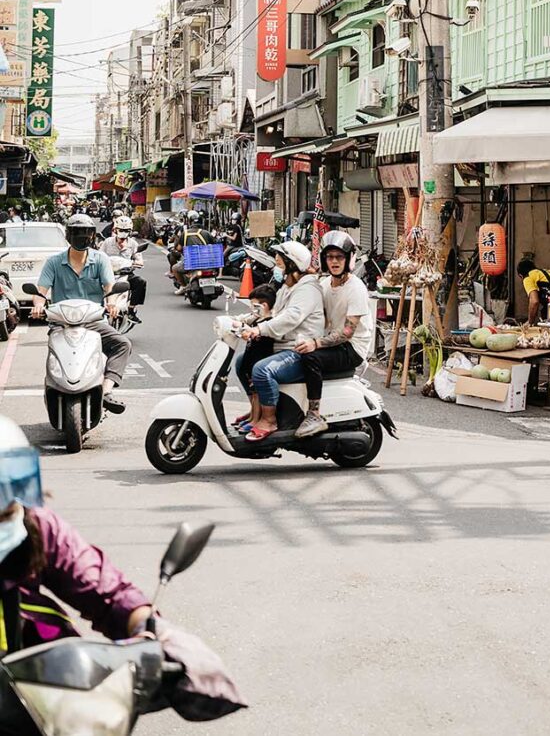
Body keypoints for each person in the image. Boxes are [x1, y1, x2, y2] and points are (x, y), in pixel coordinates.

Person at [0, 415, 246, 729]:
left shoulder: (35, 525)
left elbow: (105, 591)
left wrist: (154, 630)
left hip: (39, 702)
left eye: (8, 510)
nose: (6, 519)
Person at [33, 213, 131, 414]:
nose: (82, 237)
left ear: (93, 236)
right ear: (69, 235)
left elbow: (109, 288)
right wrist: (38, 306)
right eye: (78, 232)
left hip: (93, 322)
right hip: (61, 323)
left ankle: (106, 391)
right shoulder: (54, 262)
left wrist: (111, 304)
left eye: (86, 233)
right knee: (55, 358)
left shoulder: (100, 259)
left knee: (123, 344)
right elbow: (40, 292)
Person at [238, 241, 324, 442]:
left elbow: (290, 318)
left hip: (297, 349)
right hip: (282, 345)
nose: (277, 263)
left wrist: (259, 329)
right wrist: (245, 321)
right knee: (242, 363)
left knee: (262, 370)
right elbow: (275, 313)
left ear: (292, 264)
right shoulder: (287, 287)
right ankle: (256, 412)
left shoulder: (307, 290)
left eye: (281, 260)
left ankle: (269, 420)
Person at [295, 230, 373, 438]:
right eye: (330, 257)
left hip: (352, 348)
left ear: (348, 259)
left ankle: (314, 415)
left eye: (339, 257)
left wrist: (316, 343)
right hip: (334, 343)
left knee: (311, 357)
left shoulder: (356, 288)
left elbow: (348, 332)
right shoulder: (324, 285)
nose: (334, 262)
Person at [231, 283, 278, 433]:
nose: (252, 309)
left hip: (259, 360)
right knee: (253, 390)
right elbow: (243, 320)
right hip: (251, 360)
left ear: (264, 305)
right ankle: (252, 416)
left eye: (254, 306)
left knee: (257, 391)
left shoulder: (268, 324)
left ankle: (256, 419)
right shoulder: (257, 319)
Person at [99, 215, 147, 318]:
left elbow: (138, 257)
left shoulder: (133, 244)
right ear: (115, 230)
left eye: (126, 230)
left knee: (140, 282)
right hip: (108, 274)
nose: (123, 232)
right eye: (121, 230)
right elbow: (99, 255)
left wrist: (138, 262)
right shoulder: (108, 242)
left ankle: (131, 309)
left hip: (125, 274)